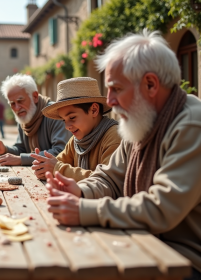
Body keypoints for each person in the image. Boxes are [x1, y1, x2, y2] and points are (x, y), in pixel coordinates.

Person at [45, 30, 201, 279]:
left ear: (150, 84)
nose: (110, 101)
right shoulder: (141, 122)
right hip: (143, 244)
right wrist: (80, 190)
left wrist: (85, 210)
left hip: (183, 262)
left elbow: (162, 208)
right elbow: (110, 177)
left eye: (116, 88)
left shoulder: (191, 125)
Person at [30, 77, 121, 181]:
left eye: (72, 118)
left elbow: (107, 181)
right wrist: (43, 167)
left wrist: (57, 169)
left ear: (94, 110)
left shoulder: (114, 136)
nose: (67, 126)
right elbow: (57, 162)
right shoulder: (75, 141)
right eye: (64, 120)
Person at [0, 74, 71, 166]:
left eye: (20, 101)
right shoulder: (24, 116)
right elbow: (21, 149)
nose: (17, 108)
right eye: (12, 103)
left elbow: (60, 151)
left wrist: (21, 159)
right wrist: (5, 149)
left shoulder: (54, 114)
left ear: (35, 97)